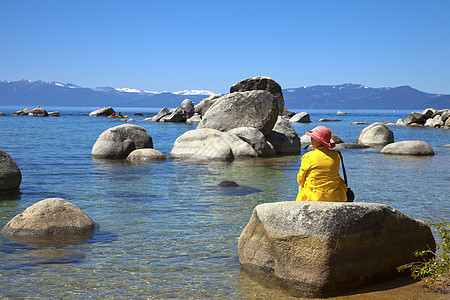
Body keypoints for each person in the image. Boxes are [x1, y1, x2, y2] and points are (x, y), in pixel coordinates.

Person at [296, 126, 347, 202]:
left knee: (302, 185)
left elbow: (300, 179)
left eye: (312, 138)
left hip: (314, 197)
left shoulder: (308, 156)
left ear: (317, 141)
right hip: (335, 196)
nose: (311, 140)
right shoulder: (336, 155)